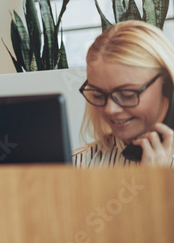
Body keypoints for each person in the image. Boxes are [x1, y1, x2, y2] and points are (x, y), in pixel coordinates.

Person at [73, 20, 174, 167]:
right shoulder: (76, 166)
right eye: (98, 95)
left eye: (127, 94)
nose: (110, 109)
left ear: (166, 87)